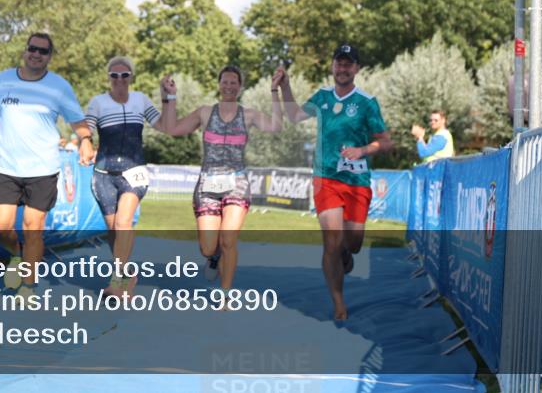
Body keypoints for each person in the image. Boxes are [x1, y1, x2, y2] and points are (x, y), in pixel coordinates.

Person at [0, 33, 95, 300]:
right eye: (32, 49)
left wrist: (85, 139)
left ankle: (28, 285)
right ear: (25, 51)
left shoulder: (59, 86)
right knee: (1, 227)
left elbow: (77, 120)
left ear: (49, 56)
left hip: (43, 168)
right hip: (4, 167)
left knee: (32, 227)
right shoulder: (2, 80)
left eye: (43, 51)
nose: (37, 54)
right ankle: (16, 255)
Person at [277, 43, 392, 321]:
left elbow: (386, 142)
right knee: (331, 241)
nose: (343, 68)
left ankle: (346, 252)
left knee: (352, 242)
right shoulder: (322, 97)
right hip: (325, 177)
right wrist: (285, 87)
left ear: (356, 69)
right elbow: (294, 116)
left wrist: (362, 150)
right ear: (332, 66)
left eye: (348, 64)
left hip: (356, 180)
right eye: (339, 63)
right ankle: (339, 303)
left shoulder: (367, 102)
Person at [160, 66, 282, 296]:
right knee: (208, 247)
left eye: (233, 82)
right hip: (208, 184)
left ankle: (225, 293)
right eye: (224, 82)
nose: (228, 86)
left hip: (237, 183)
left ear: (240, 86)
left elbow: (276, 126)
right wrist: (170, 97)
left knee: (228, 240)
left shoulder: (250, 115)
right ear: (219, 84)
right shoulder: (205, 113)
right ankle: (213, 258)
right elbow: (172, 129)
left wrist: (275, 91)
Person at [84, 56, 167, 296]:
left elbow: (163, 125)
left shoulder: (140, 100)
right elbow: (87, 127)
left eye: (124, 75)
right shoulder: (98, 102)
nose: (119, 79)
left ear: (131, 77)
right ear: (108, 78)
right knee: (114, 230)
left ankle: (117, 283)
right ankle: (128, 275)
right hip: (103, 174)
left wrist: (168, 98)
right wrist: (85, 141)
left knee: (123, 223)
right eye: (114, 75)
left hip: (134, 171)